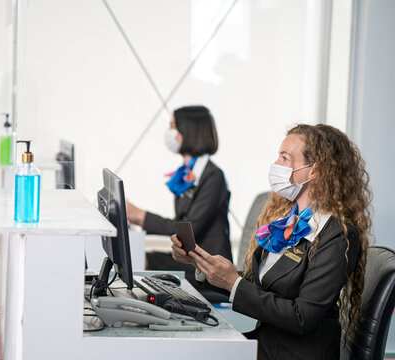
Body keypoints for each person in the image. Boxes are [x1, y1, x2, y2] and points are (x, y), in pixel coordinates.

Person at [172, 124, 371, 359]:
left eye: (285, 158)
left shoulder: (338, 235)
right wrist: (204, 266)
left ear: (314, 171)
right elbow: (262, 286)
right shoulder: (287, 220)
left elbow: (301, 317)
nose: (276, 164)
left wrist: (234, 284)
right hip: (267, 344)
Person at [126, 105, 232, 299]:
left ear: (189, 130)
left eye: (173, 126)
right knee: (139, 257)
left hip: (207, 265)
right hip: (190, 259)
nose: (169, 132)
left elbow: (189, 228)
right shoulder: (186, 174)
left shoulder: (213, 176)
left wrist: (141, 217)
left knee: (142, 260)